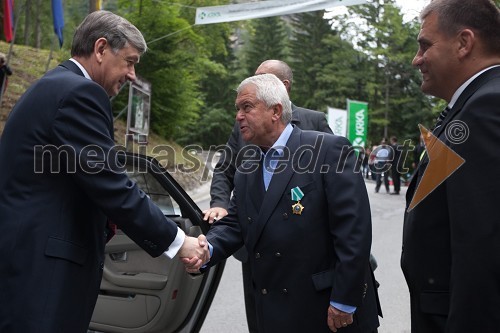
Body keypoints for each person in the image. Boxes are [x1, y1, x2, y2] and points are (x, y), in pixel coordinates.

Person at [0, 11, 208, 333]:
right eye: (129, 61)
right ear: (100, 49)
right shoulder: (80, 94)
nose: (131, 74)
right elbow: (112, 185)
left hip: (26, 262)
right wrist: (179, 241)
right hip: (43, 273)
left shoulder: (54, 86)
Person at [185, 73, 381, 333]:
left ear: (275, 111)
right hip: (274, 309)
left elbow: (353, 232)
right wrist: (207, 248)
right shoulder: (247, 167)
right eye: (237, 109)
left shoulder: (327, 150)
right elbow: (236, 223)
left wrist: (344, 300)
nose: (238, 116)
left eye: (246, 107)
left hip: (327, 310)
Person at [204, 59, 332, 332]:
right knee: (261, 319)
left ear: (282, 88)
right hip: (256, 248)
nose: (253, 85)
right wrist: (219, 204)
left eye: (262, 79)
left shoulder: (315, 123)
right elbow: (225, 169)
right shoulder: (244, 125)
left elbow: (336, 193)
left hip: (300, 255)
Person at [401, 0, 500, 332]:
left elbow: (482, 251)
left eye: (424, 45)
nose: (417, 60)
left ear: (464, 43)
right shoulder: (477, 102)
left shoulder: (486, 106)